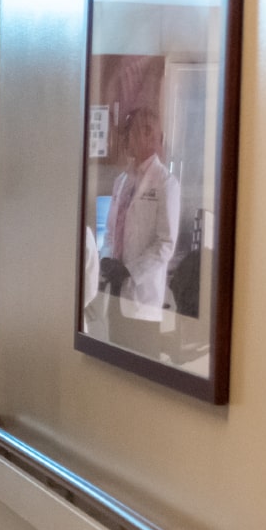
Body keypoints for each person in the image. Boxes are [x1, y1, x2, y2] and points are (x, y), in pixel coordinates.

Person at [99, 107, 180, 359]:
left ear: (148, 136)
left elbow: (165, 243)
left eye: (129, 133)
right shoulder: (122, 181)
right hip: (115, 295)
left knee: (139, 368)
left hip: (142, 298)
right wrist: (107, 260)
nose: (125, 140)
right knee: (115, 366)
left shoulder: (166, 183)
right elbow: (112, 231)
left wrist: (129, 271)